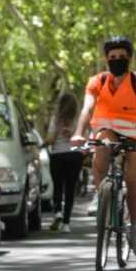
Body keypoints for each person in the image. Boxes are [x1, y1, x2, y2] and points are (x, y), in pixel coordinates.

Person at [71, 36, 136, 257]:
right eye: (112, 57)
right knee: (102, 144)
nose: (117, 60)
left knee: (132, 178)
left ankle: (135, 228)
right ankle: (100, 196)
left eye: (121, 57)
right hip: (107, 130)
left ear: (129, 58)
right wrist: (78, 134)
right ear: (106, 59)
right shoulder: (97, 82)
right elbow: (86, 109)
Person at [45, 92, 82, 233]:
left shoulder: (55, 119)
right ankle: (66, 224)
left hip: (57, 156)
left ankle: (58, 212)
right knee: (70, 189)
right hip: (74, 156)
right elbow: (83, 138)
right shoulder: (79, 119)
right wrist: (72, 133)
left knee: (58, 186)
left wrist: (53, 137)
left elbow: (50, 139)